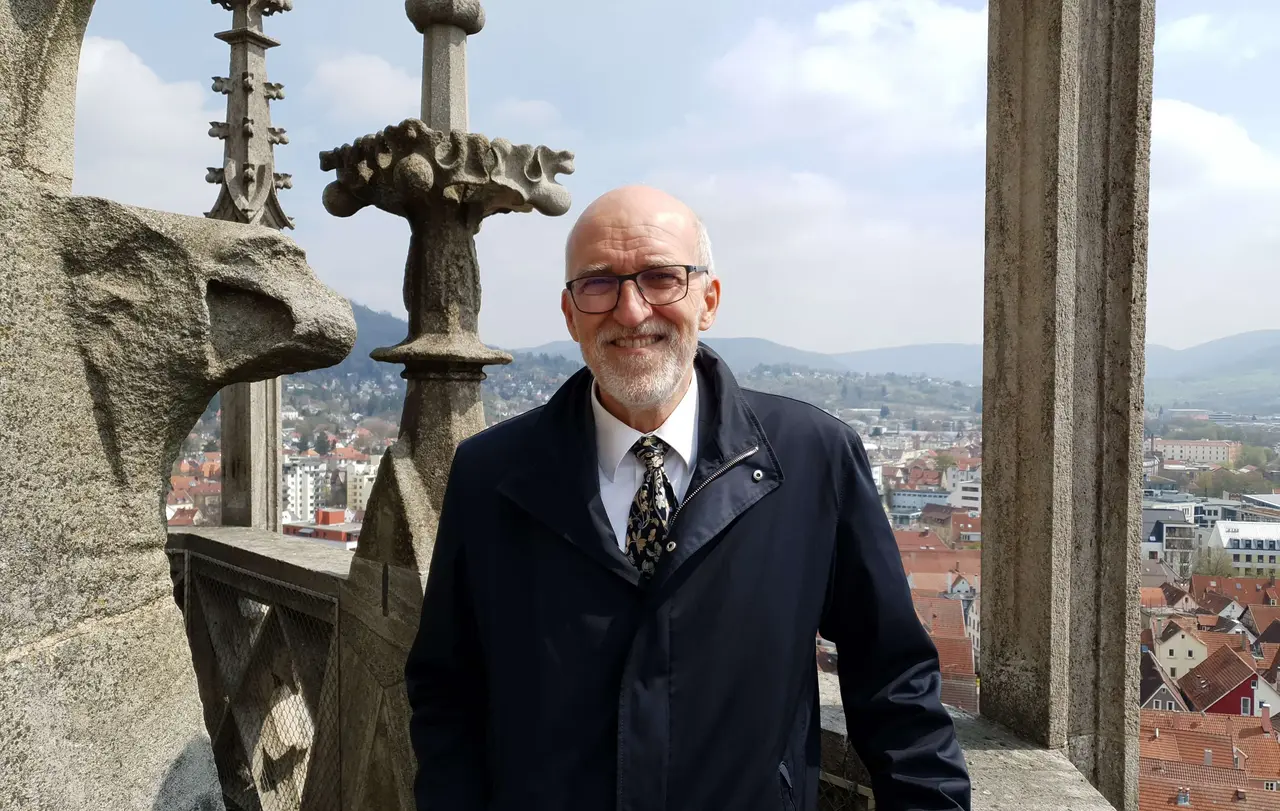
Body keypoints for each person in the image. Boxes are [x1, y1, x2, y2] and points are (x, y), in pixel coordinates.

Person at [405, 185, 971, 811]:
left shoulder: (812, 458)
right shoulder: (491, 474)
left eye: (660, 277)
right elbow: (448, 690)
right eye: (598, 284)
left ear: (709, 299)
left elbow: (892, 679)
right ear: (569, 314)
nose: (630, 309)